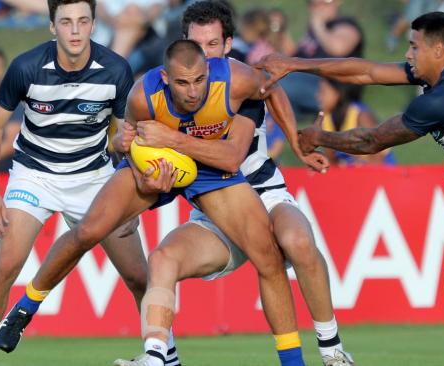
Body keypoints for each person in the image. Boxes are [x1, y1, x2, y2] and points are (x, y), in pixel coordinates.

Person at [0, 39, 307, 366]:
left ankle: (293, 363)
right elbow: (125, 144)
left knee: (269, 258)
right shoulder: (142, 96)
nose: (193, 92)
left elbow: (269, 93)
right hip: (155, 165)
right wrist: (144, 176)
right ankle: (24, 308)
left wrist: (296, 141)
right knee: (89, 230)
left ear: (208, 71)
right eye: (183, 83)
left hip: (210, 167)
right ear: (165, 78)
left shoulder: (236, 77)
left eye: (200, 80)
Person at [256, 11, 444, 366]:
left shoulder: (442, 99)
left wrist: (320, 138)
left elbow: (372, 140)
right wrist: (295, 63)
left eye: (413, 46)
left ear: (438, 51)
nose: (407, 54)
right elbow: (365, 71)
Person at [114, 2, 354, 365]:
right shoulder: (171, 90)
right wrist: (139, 190)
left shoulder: (236, 85)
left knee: (297, 240)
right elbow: (134, 146)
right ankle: (159, 356)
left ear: (228, 44)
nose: (205, 56)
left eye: (213, 45)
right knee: (162, 258)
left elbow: (234, 151)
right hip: (215, 211)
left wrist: (295, 144)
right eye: (197, 45)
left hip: (264, 193)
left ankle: (332, 350)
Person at [0, 1, 176, 366]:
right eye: (66, 22)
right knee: (6, 263)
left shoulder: (115, 69)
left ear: (94, 24)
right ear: (52, 27)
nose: (75, 30)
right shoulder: (26, 67)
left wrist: (134, 183)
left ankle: (167, 358)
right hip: (35, 174)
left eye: (82, 21)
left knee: (139, 277)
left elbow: (127, 137)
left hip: (93, 178)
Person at [316, 78, 395, 166]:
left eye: (323, 92)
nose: (318, 97)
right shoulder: (326, 118)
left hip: (379, 172)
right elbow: (331, 161)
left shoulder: (361, 116)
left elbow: (376, 161)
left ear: (339, 92)